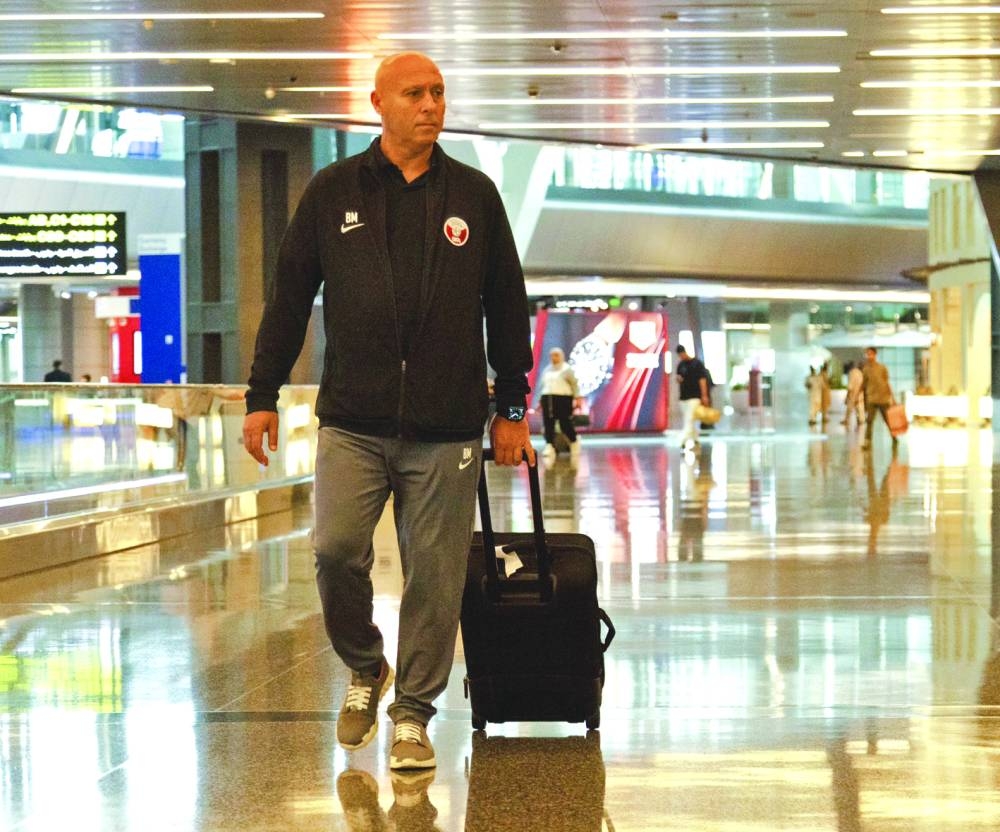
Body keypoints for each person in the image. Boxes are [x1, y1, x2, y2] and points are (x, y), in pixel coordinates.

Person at [242, 52, 534, 773]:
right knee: (335, 549)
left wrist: (514, 404)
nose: (431, 105)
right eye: (415, 94)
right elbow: (287, 302)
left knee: (434, 574)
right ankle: (367, 668)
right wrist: (260, 396)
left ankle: (414, 713)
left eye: (438, 93)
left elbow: (507, 306)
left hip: (449, 427)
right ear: (379, 103)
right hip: (353, 420)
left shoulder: (474, 194)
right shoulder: (333, 190)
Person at [538, 347, 581, 460]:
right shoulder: (547, 370)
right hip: (548, 398)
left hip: (563, 399)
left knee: (565, 423)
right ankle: (549, 446)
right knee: (548, 423)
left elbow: (574, 385)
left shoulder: (567, 369)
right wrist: (539, 401)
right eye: (552, 355)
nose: (554, 358)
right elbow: (542, 386)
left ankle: (574, 442)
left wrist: (577, 399)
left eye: (556, 355)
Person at [861, 346, 897, 451]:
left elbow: (887, 383)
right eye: (868, 354)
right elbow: (864, 385)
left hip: (883, 398)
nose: (869, 356)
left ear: (875, 355)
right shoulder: (866, 369)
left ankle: (894, 437)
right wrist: (859, 398)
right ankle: (867, 441)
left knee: (887, 420)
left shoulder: (882, 368)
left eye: (871, 354)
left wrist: (892, 398)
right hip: (871, 399)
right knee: (869, 421)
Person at [675, 344, 709, 450]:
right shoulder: (681, 365)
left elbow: (702, 380)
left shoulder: (697, 364)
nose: (681, 357)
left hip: (695, 396)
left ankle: (682, 441)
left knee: (689, 419)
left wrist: (704, 395)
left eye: (681, 354)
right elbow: (678, 377)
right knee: (689, 419)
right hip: (684, 397)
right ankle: (696, 439)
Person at [841, 361, 864, 430]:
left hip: (853, 394)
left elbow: (850, 386)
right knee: (860, 407)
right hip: (860, 393)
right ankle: (861, 419)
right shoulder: (860, 372)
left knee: (849, 407)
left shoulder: (851, 373)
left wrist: (847, 395)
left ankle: (846, 420)